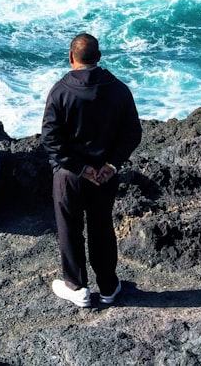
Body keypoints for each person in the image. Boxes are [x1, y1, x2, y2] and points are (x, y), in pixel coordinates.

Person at [41, 33, 142, 308]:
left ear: (71, 58)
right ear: (98, 57)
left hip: (70, 175)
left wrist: (80, 167)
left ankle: (77, 288)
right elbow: (133, 132)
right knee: (102, 227)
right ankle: (108, 286)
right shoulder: (119, 89)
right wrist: (111, 165)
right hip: (105, 175)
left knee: (69, 229)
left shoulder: (60, 91)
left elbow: (50, 139)